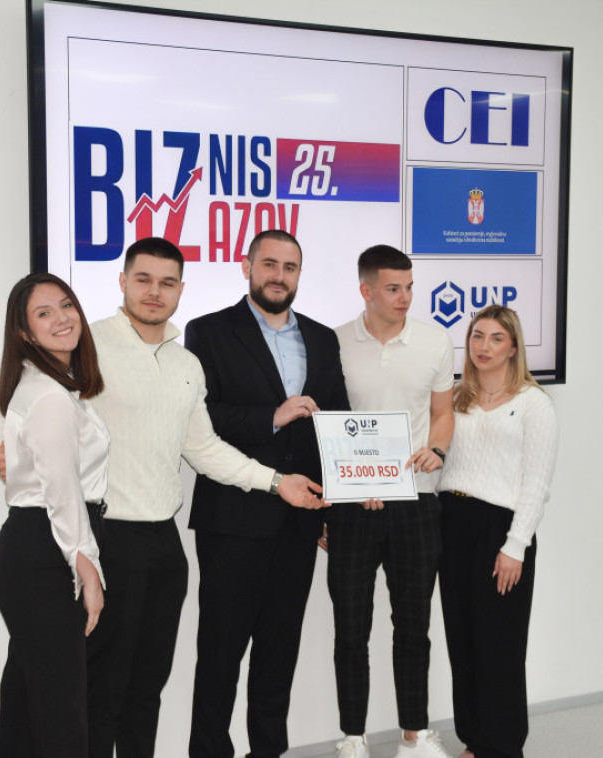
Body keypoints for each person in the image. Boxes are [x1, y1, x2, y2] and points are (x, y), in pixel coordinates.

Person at [0, 238, 328, 758]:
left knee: (146, 687)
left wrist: (274, 481)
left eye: (167, 282)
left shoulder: (186, 363)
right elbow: (36, 408)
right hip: (106, 541)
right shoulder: (86, 345)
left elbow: (204, 448)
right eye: (144, 279)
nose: (155, 291)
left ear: (181, 290)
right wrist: (9, 451)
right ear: (122, 282)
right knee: (98, 690)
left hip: (165, 547)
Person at [184, 230, 349, 758]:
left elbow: (337, 422)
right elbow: (201, 420)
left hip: (300, 523)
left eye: (290, 267)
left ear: (300, 274)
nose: (279, 276)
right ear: (247, 266)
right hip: (232, 521)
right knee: (220, 656)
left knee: (279, 656)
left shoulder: (322, 338)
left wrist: (338, 501)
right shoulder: (208, 331)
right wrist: (272, 417)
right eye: (270, 264)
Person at [330, 245, 455, 758]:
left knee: (413, 628)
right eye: (392, 288)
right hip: (352, 508)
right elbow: (328, 425)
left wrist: (437, 449)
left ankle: (414, 736)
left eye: (409, 287)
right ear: (366, 290)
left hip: (416, 503)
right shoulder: (335, 342)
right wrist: (348, 486)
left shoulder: (435, 341)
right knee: (350, 628)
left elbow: (442, 413)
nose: (405, 297)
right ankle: (353, 738)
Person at [0, 273, 107, 758]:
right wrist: (88, 567)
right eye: (44, 313)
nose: (62, 318)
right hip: (46, 552)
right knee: (61, 716)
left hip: (33, 547)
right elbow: (61, 489)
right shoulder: (51, 395)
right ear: (24, 332)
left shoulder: (50, 386)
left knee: (26, 705)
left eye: (66, 305)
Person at [437, 305, 558, 758]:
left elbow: (537, 484)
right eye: (477, 336)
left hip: (499, 532)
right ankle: (475, 741)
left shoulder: (534, 403)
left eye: (495, 338)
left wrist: (515, 546)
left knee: (499, 645)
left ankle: (503, 747)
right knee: (463, 640)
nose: (483, 346)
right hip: (451, 524)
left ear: (513, 348)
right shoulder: (455, 398)